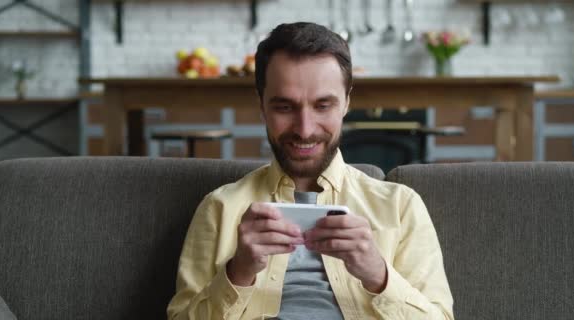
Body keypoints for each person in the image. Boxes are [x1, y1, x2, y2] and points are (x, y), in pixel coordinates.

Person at [167, 22, 454, 320]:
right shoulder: (220, 207)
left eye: (322, 106)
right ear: (262, 107)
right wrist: (238, 273)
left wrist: (378, 276)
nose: (305, 130)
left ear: (346, 103)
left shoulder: (401, 206)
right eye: (285, 108)